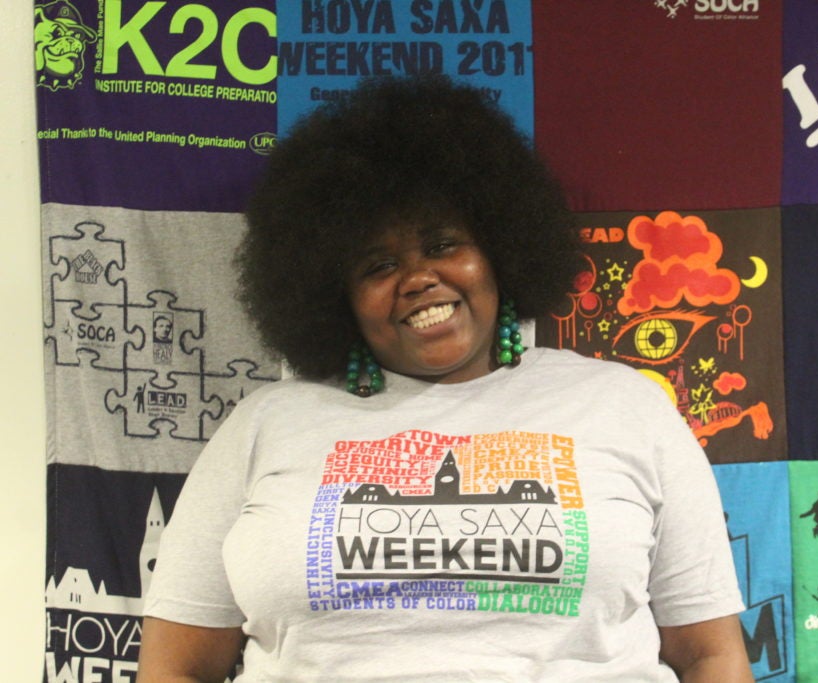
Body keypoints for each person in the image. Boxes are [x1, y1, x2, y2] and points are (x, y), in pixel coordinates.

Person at [138, 75, 750, 682]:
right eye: (379, 265)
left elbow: (711, 656)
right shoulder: (263, 425)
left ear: (500, 251)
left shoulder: (625, 405)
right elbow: (175, 667)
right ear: (335, 296)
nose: (418, 278)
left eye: (442, 244)